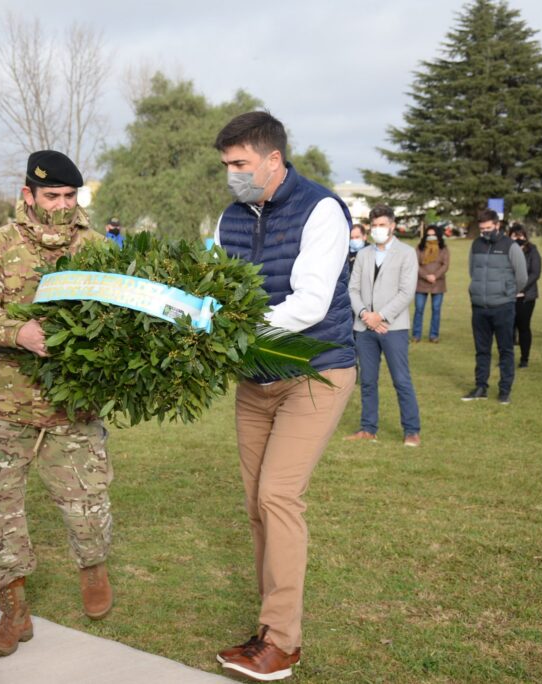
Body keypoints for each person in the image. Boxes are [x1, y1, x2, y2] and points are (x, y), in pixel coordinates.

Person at [211, 111, 356, 682]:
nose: (232, 175)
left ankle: (283, 643)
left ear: (274, 159)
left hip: (315, 373)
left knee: (278, 496)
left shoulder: (321, 209)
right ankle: (269, 628)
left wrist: (235, 332)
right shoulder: (230, 217)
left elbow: (312, 302)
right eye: (226, 166)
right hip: (256, 382)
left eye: (240, 164)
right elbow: (219, 291)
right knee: (257, 507)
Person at [0, 150, 112, 658]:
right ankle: (12, 611)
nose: (63, 206)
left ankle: (93, 567)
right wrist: (16, 331)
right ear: (28, 195)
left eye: (71, 196)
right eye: (52, 196)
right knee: (1, 510)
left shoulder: (95, 247)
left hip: (73, 406)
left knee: (86, 504)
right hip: (7, 404)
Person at [346, 204, 421, 446]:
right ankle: (368, 428)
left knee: (401, 379)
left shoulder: (407, 253)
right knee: (368, 380)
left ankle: (411, 430)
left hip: (393, 327)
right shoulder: (364, 254)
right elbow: (353, 288)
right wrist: (365, 315)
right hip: (365, 327)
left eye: (382, 225)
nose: (378, 229)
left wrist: (382, 316)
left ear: (392, 225)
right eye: (374, 225)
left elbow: (406, 291)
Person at [462, 209, 527, 404]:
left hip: (503, 307)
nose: (485, 232)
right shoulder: (476, 245)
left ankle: (504, 390)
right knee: (482, 350)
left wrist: (507, 293)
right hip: (479, 307)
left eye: (488, 228)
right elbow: (472, 270)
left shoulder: (510, 246)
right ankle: (481, 386)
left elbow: (522, 277)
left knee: (505, 349)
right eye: (482, 229)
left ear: (498, 226)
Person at [508, 224, 542, 368]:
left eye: (520, 235)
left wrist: (521, 287)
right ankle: (507, 358)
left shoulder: (532, 250)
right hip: (508, 295)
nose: (518, 238)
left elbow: (535, 272)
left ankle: (524, 359)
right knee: (508, 327)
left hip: (525, 297)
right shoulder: (505, 250)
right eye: (515, 236)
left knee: (523, 327)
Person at [412, 224, 450, 343]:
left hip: (438, 284)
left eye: (433, 235)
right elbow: (415, 264)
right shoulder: (420, 247)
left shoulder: (444, 249)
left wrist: (435, 276)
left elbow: (445, 265)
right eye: (429, 235)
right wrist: (426, 276)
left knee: (436, 309)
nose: (431, 237)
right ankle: (416, 335)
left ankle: (434, 335)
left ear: (438, 236)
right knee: (419, 309)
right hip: (421, 283)